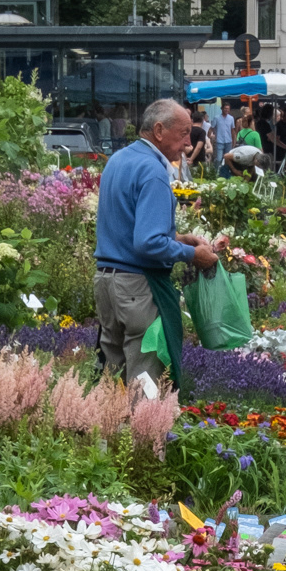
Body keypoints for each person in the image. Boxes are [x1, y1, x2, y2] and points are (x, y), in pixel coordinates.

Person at [94, 97, 221, 390]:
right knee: (146, 381)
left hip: (106, 283)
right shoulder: (152, 170)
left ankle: (108, 422)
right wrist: (192, 254)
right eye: (184, 133)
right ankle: (144, 423)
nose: (188, 143)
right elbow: (148, 243)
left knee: (112, 380)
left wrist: (179, 238)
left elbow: (127, 229)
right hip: (136, 287)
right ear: (160, 130)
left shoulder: (118, 160)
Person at [212, 99, 237, 168]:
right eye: (225, 108)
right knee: (219, 158)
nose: (227, 110)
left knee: (227, 158)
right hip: (219, 141)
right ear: (222, 109)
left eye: (228, 109)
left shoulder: (231, 118)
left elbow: (232, 130)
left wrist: (234, 140)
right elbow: (212, 128)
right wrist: (213, 136)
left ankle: (226, 171)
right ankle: (217, 171)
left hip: (228, 141)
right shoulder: (216, 118)